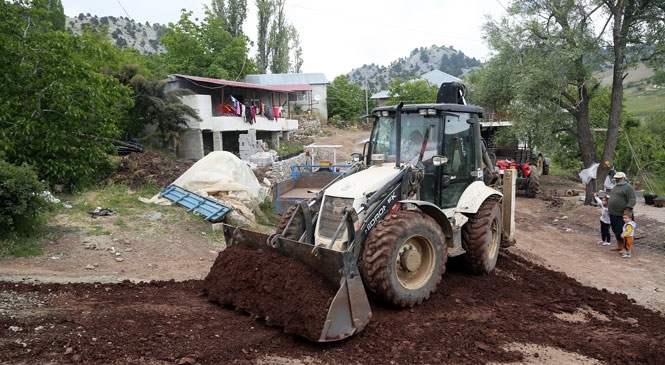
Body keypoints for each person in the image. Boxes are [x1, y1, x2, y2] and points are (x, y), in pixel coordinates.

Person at [607, 171, 636, 253]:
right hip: (613, 213)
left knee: (623, 231)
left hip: (622, 214)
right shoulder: (615, 187)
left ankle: (625, 248)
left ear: (623, 178)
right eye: (616, 178)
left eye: (618, 178)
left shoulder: (628, 188)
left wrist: (628, 209)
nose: (617, 179)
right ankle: (619, 245)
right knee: (615, 230)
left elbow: (632, 199)